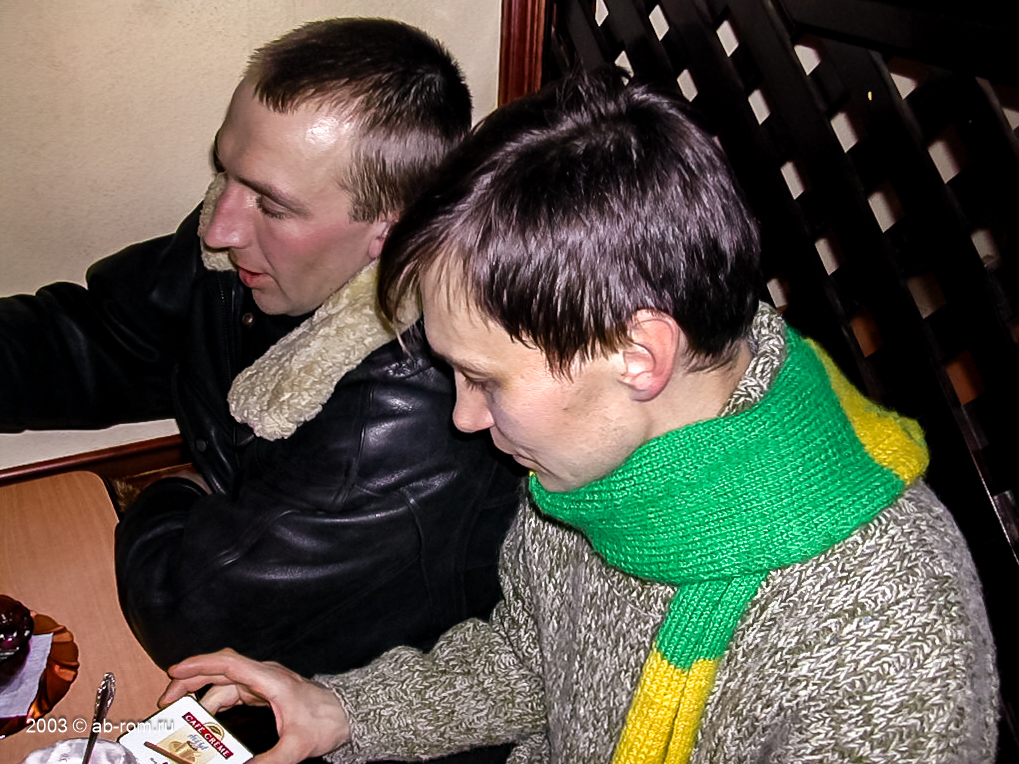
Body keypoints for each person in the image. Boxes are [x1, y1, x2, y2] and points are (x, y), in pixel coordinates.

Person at [159, 67, 999, 763]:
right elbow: (531, 661)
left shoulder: (885, 653)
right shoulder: (600, 456)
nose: (463, 419)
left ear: (639, 355)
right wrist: (343, 710)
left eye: (484, 379)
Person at [0, 18, 521, 686]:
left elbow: (198, 621)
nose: (220, 227)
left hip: (358, 700)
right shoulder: (246, 247)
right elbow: (102, 336)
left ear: (391, 231)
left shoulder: (409, 414)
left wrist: (174, 489)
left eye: (271, 206)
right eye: (228, 174)